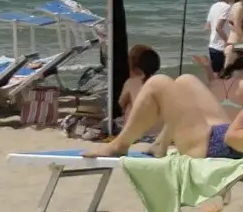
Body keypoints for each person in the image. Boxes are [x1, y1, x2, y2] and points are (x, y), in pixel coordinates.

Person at [86, 45, 232, 160]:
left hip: (214, 145)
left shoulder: (131, 82)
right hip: (227, 132)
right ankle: (160, 143)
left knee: (158, 82)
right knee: (186, 80)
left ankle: (119, 145)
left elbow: (121, 103)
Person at [201, 0, 242, 82]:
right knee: (225, 73)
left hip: (212, 45)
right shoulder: (227, 7)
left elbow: (207, 27)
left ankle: (214, 90)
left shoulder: (214, 6)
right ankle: (220, 91)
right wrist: (227, 41)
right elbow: (218, 28)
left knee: (216, 72)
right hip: (222, 46)